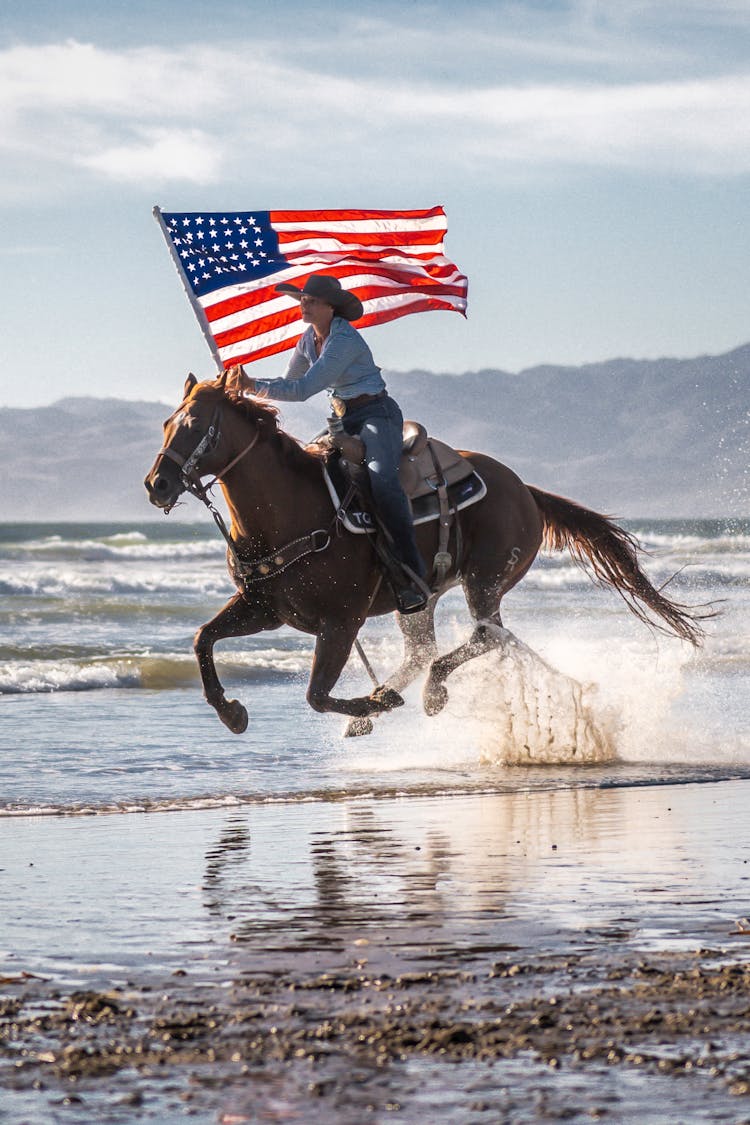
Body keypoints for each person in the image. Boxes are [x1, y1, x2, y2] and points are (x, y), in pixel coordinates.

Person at [228, 274, 428, 614]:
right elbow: (290, 382)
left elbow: (304, 389)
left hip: (376, 415)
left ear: (330, 307)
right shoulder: (308, 339)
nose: (303, 305)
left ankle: (413, 573)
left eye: (311, 301)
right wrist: (248, 386)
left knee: (382, 479)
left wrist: (251, 385)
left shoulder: (344, 341)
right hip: (342, 419)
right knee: (306, 468)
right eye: (302, 300)